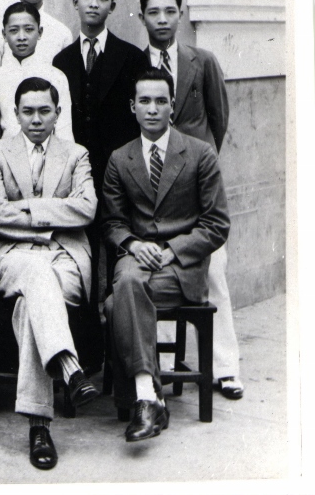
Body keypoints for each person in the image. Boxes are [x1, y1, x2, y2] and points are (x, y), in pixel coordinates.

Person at [0, 77, 100, 470]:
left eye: (44, 111)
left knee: (32, 303)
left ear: (57, 113)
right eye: (27, 111)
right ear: (15, 113)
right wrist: (53, 214)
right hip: (10, 258)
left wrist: (27, 210)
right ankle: (69, 368)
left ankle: (39, 425)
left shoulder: (76, 154)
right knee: (34, 272)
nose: (35, 119)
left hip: (64, 259)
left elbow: (86, 208)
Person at [103, 69, 231, 442]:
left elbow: (216, 224)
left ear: (172, 106)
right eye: (144, 101)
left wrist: (173, 250)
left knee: (115, 302)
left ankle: (143, 397)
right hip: (137, 257)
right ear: (132, 106)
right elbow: (112, 222)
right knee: (128, 280)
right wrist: (133, 244)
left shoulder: (200, 153)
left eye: (161, 101)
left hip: (181, 268)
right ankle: (149, 397)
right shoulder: (120, 158)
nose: (153, 109)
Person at [138, 0, 240, 399]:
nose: (162, 20)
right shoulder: (134, 65)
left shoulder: (203, 61)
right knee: (157, 272)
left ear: (181, 15)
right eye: (153, 12)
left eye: (169, 11)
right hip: (154, 192)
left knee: (213, 270)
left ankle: (225, 368)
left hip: (196, 189)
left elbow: (218, 120)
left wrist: (197, 167)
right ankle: (162, 367)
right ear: (141, 17)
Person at [52, 0, 150, 300]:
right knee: (81, 250)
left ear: (113, 6)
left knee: (119, 247)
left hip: (119, 171)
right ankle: (87, 328)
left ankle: (117, 321)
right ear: (75, 2)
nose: (94, 4)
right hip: (77, 172)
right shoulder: (61, 61)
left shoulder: (132, 57)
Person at [0, 2, 74, 143]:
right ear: (4, 34)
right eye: (14, 30)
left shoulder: (56, 76)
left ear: (40, 32)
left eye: (29, 29)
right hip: (7, 151)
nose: (21, 37)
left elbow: (64, 129)